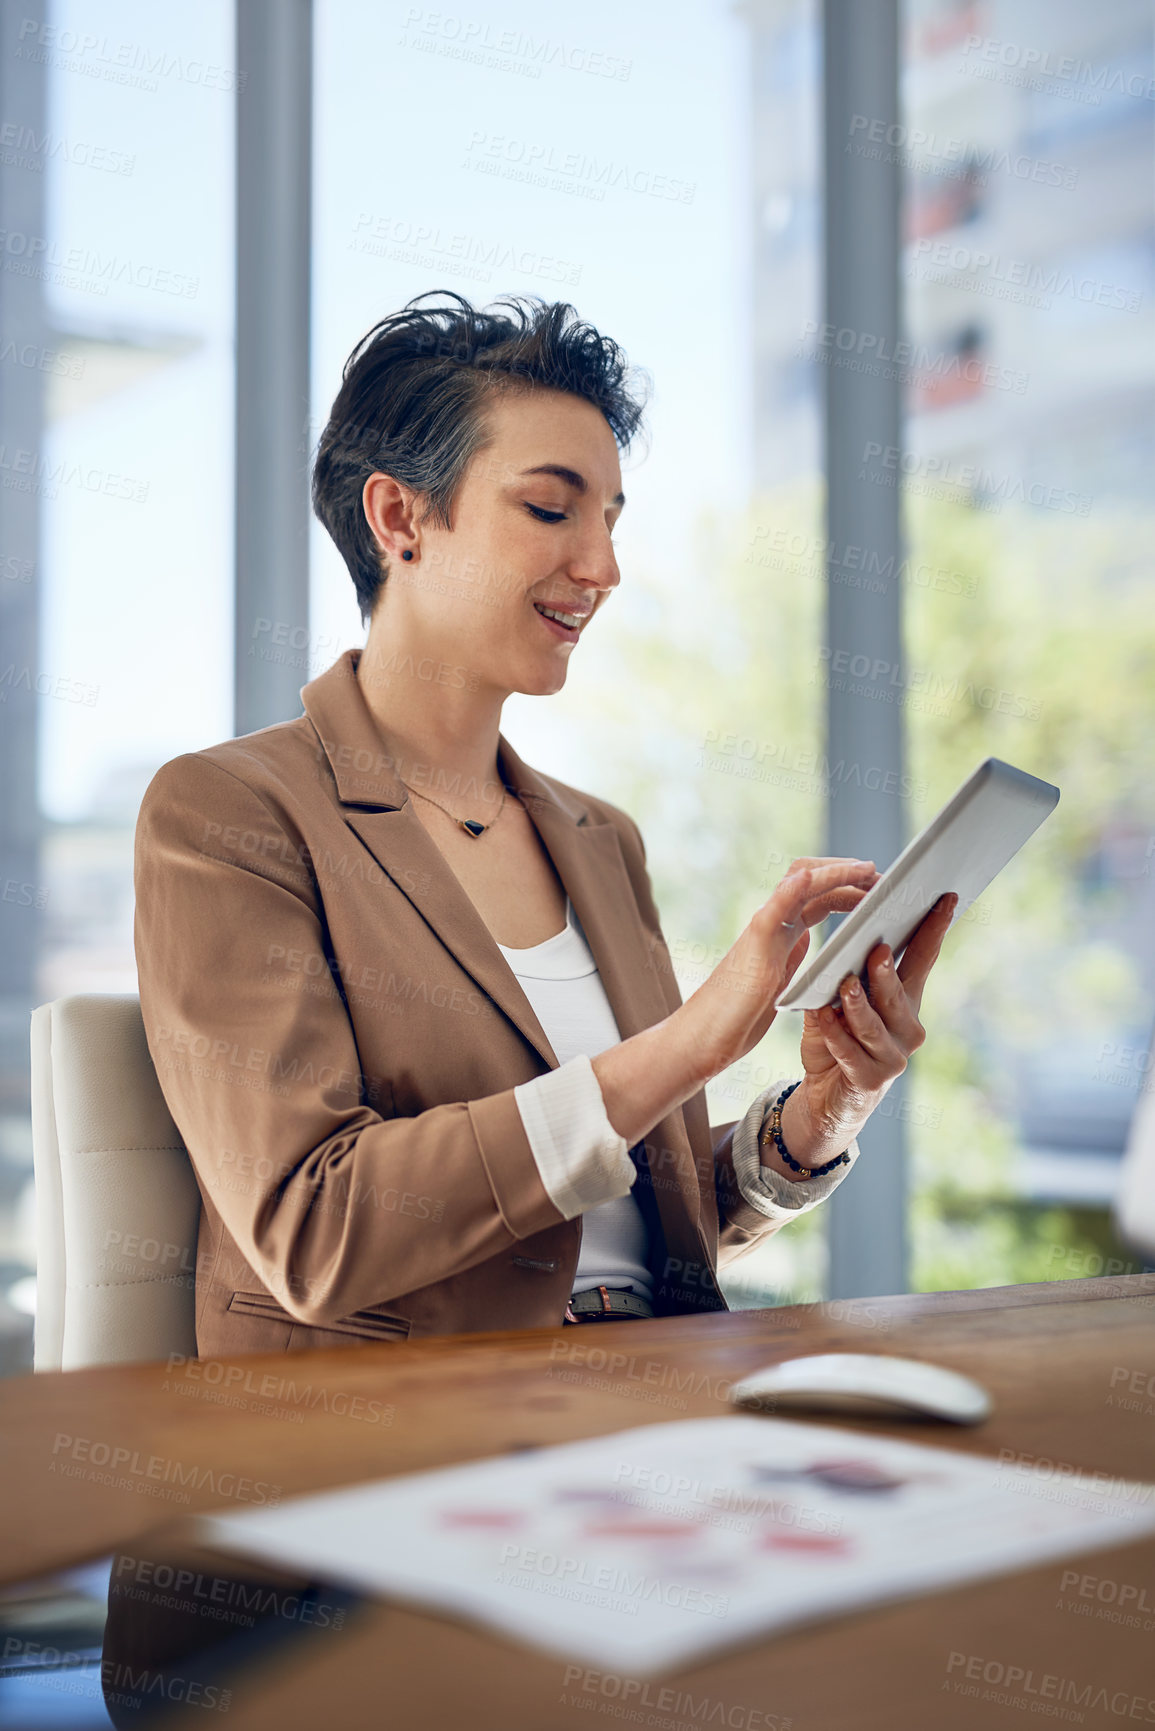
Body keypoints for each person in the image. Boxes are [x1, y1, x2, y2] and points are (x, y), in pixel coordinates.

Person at [133, 291, 954, 1356]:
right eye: (551, 509)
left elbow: (616, 1216)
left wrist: (816, 1117)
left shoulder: (599, 838)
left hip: (648, 1390)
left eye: (611, 518)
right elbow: (313, 1230)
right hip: (390, 1447)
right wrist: (685, 1044)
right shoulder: (229, 815)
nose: (602, 568)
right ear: (399, 519)